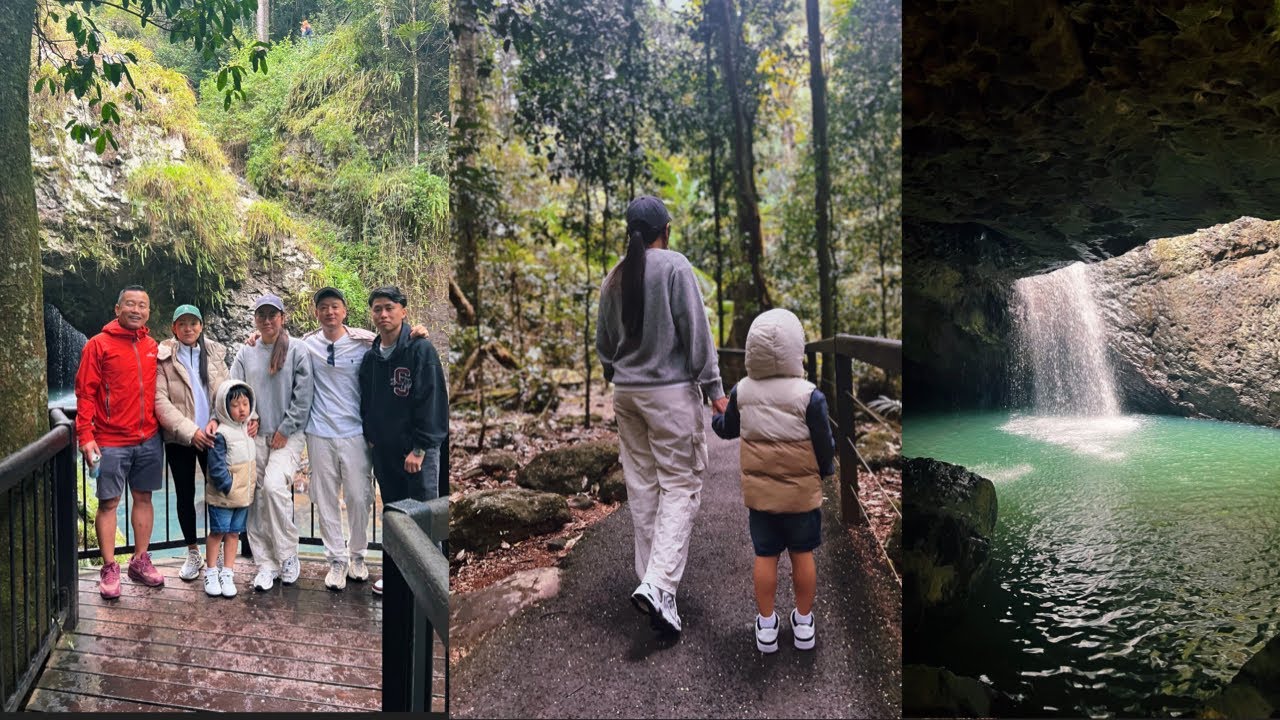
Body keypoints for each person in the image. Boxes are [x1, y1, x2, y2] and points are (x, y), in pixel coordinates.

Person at [595, 196, 728, 636]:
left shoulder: (613, 278)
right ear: (663, 230)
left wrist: (619, 373)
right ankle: (659, 584)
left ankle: (653, 586)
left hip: (627, 395)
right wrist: (715, 391)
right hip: (669, 395)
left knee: (644, 486)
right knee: (682, 484)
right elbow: (697, 332)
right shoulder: (674, 267)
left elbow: (604, 346)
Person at [710, 309, 835, 653]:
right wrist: (825, 471)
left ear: (752, 350)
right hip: (801, 496)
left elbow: (729, 428)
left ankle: (766, 626)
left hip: (761, 498)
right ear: (798, 349)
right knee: (802, 553)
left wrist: (714, 421)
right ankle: (804, 624)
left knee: (765, 555)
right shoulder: (810, 395)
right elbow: (824, 443)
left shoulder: (742, 391)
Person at [75, 285, 166, 598]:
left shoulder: (153, 345)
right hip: (111, 440)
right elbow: (85, 392)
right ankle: (110, 567)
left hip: (149, 438)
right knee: (109, 502)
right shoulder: (98, 345)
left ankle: (140, 561)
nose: (136, 310)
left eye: (142, 305)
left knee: (144, 498)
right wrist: (85, 436)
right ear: (117, 309)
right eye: (130, 304)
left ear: (148, 312)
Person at [358, 286, 449, 596]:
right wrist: (372, 438)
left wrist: (421, 448)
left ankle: (431, 586)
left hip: (416, 453)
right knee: (396, 517)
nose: (383, 314)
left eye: (389, 308)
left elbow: (432, 400)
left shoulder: (419, 350)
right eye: (377, 309)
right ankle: (397, 576)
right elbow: (367, 402)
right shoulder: (372, 357)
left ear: (403, 311)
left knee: (423, 515)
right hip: (386, 453)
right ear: (371, 314)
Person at [230, 294, 314, 592]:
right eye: (261, 315)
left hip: (288, 437)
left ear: (283, 317)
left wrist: (284, 428)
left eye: (272, 315)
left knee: (275, 487)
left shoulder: (298, 350)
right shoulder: (246, 352)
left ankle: (288, 554)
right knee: (255, 498)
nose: (267, 321)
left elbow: (303, 398)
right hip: (254, 437)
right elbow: (234, 389)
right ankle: (266, 563)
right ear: (255, 319)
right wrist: (248, 416)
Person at [303, 287, 378, 591]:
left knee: (360, 497)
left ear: (345, 311)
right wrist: (255, 339)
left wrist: (415, 333)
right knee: (325, 499)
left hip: (355, 433)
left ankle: (358, 554)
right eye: (323, 307)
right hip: (319, 432)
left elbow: (394, 344)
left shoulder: (364, 342)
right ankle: (336, 559)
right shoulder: (307, 345)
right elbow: (277, 347)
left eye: (335, 306)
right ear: (316, 313)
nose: (329, 312)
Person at [155, 304, 228, 582]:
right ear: (174, 328)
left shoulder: (214, 354)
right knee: (185, 495)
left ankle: (216, 549)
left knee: (218, 493)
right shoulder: (163, 358)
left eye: (193, 323)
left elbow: (225, 391)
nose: (189, 329)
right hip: (180, 438)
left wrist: (215, 421)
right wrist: (190, 431)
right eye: (182, 324)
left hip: (212, 434)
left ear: (201, 326)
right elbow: (160, 401)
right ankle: (193, 552)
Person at [203, 380, 257, 598]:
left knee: (234, 533)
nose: (242, 409)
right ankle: (211, 571)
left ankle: (228, 572)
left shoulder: (247, 430)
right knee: (218, 532)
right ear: (225, 407)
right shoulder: (221, 433)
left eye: (245, 403)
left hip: (243, 497)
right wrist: (228, 486)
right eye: (235, 405)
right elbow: (216, 467)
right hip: (224, 497)